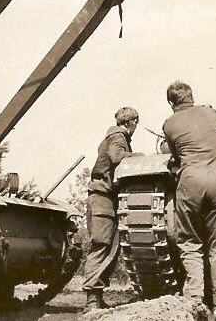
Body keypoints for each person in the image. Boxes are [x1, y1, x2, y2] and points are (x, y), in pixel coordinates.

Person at [162, 81, 216, 319]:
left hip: (191, 181)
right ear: (192, 96)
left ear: (171, 102)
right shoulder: (209, 112)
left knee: (189, 241)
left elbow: (175, 155)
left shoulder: (169, 124)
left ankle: (194, 300)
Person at [82, 106, 142, 312]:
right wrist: (138, 155)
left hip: (106, 198)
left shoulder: (115, 135)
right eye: (135, 123)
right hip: (102, 198)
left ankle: (96, 297)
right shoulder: (118, 136)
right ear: (132, 122)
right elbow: (117, 156)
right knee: (101, 245)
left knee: (110, 248)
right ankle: (91, 299)